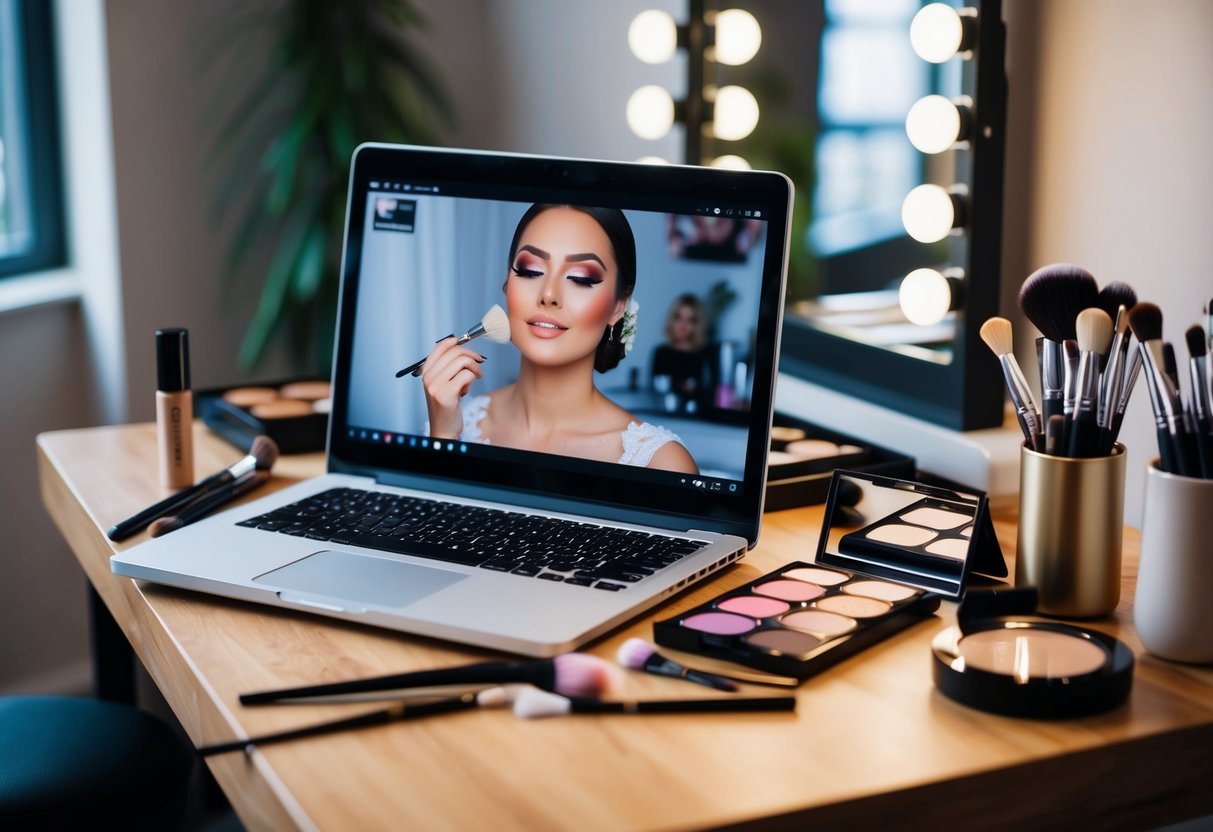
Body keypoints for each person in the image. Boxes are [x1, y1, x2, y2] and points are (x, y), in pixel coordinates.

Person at [421, 204, 698, 474]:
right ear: (507, 283)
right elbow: (427, 521)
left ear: (618, 306)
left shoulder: (660, 464)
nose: (549, 294)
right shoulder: (451, 421)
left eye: (580, 277)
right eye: (530, 270)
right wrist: (443, 437)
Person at [651, 293, 712, 411]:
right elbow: (656, 390)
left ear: (697, 325)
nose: (683, 325)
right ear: (671, 319)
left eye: (690, 320)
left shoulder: (705, 355)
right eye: (679, 317)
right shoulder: (661, 353)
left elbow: (707, 392)